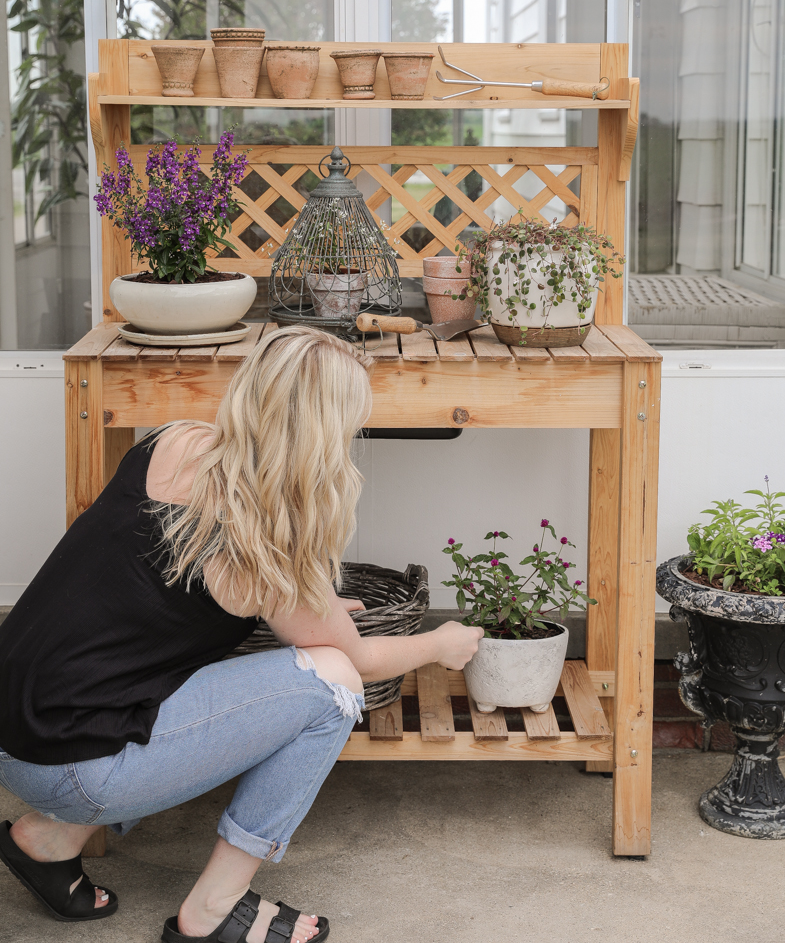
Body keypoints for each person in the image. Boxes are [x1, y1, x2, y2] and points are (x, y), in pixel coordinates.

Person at [0, 326, 482, 943]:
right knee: (331, 683)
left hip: (16, 731)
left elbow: (146, 604)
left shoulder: (172, 443)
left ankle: (45, 839)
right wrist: (441, 644)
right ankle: (214, 911)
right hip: (78, 771)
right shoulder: (265, 548)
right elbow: (359, 658)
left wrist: (316, 602)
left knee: (144, 668)